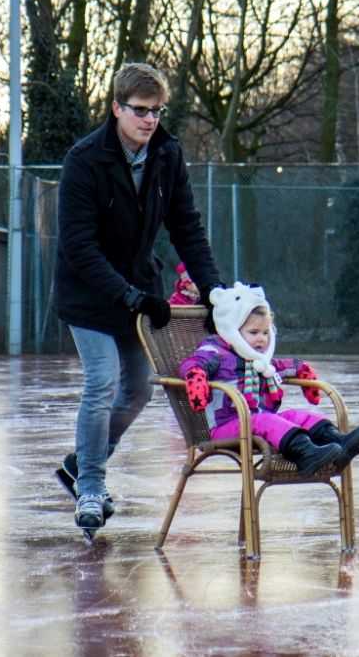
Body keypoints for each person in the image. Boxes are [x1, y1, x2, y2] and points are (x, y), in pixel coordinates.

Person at [52, 62, 223, 539]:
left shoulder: (168, 155)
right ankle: (90, 486)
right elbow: (78, 247)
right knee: (103, 382)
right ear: (117, 109)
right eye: (140, 111)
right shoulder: (84, 159)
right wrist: (131, 295)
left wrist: (214, 290)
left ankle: (80, 462)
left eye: (157, 111)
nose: (150, 120)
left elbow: (187, 229)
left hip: (134, 290)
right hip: (87, 293)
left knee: (141, 389)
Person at [179, 282, 359, 478]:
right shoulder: (216, 350)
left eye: (265, 333)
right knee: (267, 420)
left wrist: (302, 369)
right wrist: (196, 376)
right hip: (226, 426)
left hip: (258, 420)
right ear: (233, 330)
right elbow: (195, 362)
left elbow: (283, 366)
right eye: (253, 333)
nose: (261, 339)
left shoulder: (261, 360)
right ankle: (306, 453)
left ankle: (339, 443)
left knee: (296, 416)